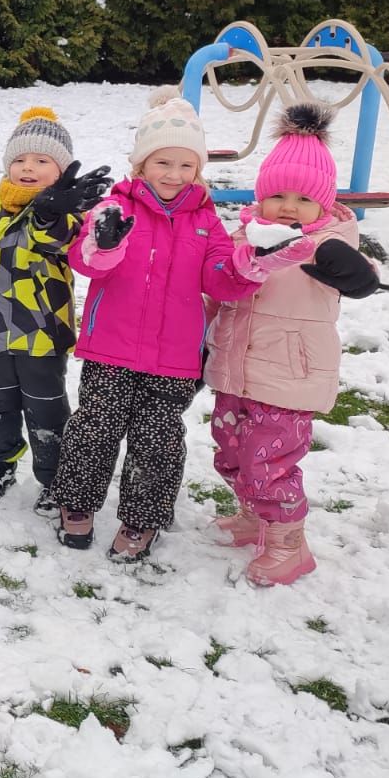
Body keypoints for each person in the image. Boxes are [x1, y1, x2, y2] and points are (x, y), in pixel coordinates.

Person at [52, 87, 266, 562]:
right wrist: (104, 244)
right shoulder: (116, 210)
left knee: (158, 440)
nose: (174, 174)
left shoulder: (208, 223)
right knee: (94, 429)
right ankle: (77, 502)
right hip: (111, 348)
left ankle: (142, 518)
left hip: (173, 360)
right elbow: (87, 264)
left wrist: (251, 263)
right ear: (141, 165)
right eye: (162, 163)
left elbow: (222, 281)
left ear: (199, 170)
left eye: (186, 165)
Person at [204, 104, 383, 585]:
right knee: (230, 450)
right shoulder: (246, 236)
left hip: (288, 377)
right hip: (237, 371)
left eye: (303, 198)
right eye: (277, 194)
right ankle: (254, 518)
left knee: (268, 463)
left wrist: (356, 274)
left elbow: (360, 280)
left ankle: (289, 545)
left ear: (323, 205)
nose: (287, 206)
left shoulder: (328, 246)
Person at [0, 107, 110, 509]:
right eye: (19, 159)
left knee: (46, 412)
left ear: (60, 171)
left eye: (41, 160)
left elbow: (55, 241)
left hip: (41, 337)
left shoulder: (66, 216)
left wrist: (51, 210)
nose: (27, 167)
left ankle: (54, 478)